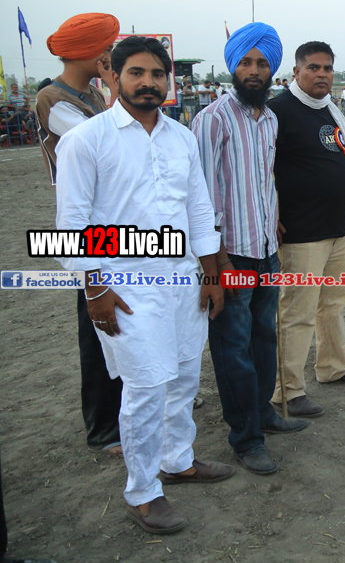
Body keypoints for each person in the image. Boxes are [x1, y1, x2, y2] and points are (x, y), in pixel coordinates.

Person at [55, 36, 233, 534]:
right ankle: (143, 491)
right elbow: (72, 224)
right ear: (113, 76)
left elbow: (198, 208)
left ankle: (178, 461)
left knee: (183, 377)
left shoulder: (181, 137)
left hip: (182, 280)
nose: (148, 82)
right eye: (136, 72)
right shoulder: (86, 140)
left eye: (157, 74)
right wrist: (94, 289)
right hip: (124, 286)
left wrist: (210, 274)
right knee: (146, 386)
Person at [192, 22, 308, 477]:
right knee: (233, 347)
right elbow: (200, 198)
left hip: (264, 248)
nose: (254, 71)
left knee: (264, 338)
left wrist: (272, 218)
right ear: (233, 67)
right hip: (230, 255)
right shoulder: (212, 119)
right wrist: (216, 262)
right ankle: (245, 438)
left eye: (262, 63)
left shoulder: (270, 119)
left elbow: (264, 181)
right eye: (246, 62)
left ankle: (263, 414)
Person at [267, 42, 345, 418]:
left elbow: (337, 158)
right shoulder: (279, 111)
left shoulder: (329, 109)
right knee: (297, 312)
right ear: (296, 72)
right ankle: (287, 390)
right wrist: (271, 212)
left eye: (327, 68)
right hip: (301, 233)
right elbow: (262, 168)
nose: (322, 74)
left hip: (337, 227)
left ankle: (333, 367)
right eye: (313, 68)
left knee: (333, 303)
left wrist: (344, 200)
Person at [34, 13, 124, 456]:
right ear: (91, 52)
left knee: (126, 317)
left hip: (116, 220)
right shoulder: (52, 99)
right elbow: (108, 141)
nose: (111, 55)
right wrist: (115, 89)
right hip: (85, 223)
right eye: (107, 48)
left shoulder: (89, 92)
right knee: (97, 326)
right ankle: (104, 428)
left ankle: (132, 401)